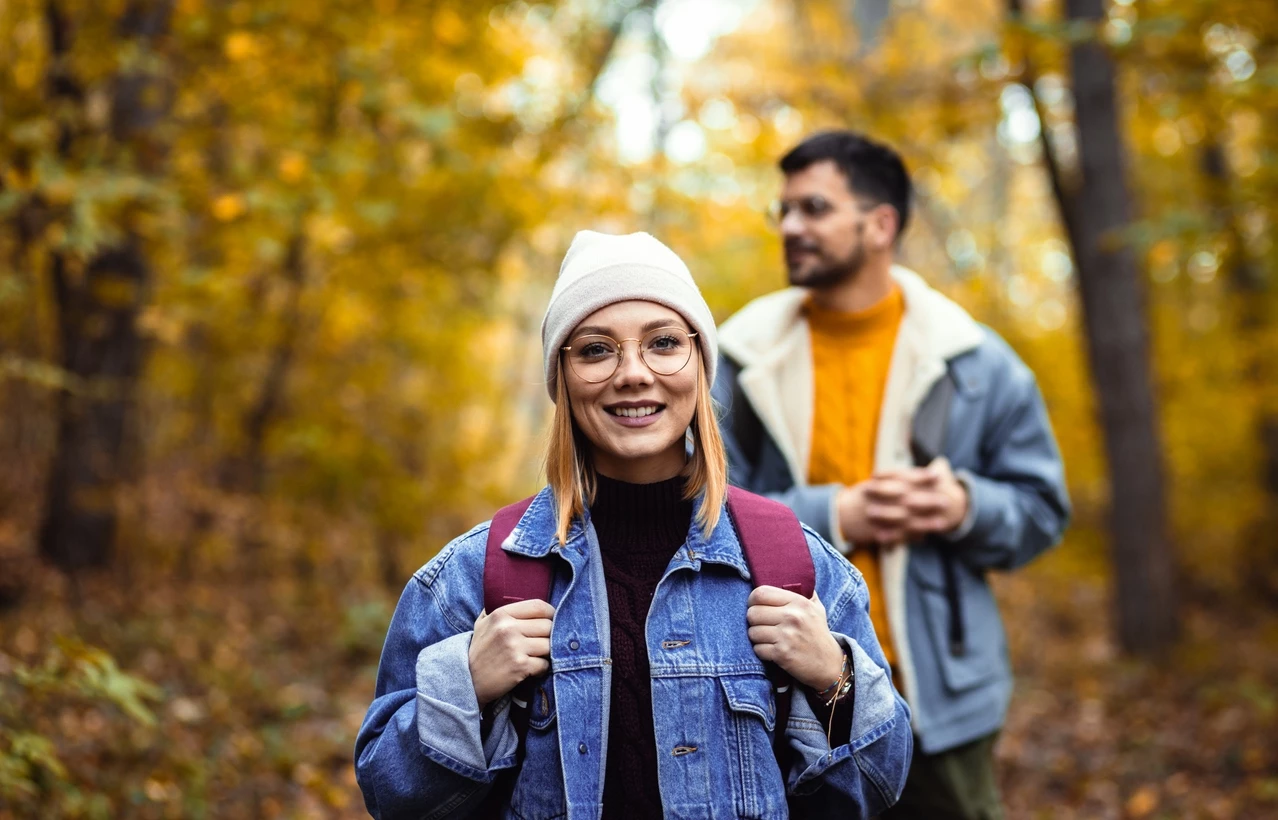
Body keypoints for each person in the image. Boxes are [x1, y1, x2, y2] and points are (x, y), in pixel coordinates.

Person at [354, 230, 913, 820]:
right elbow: (391, 797)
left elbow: (880, 785)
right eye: (596, 350)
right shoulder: (473, 578)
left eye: (663, 343)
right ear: (562, 377)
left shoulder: (794, 565)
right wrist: (465, 687)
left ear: (699, 364)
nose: (633, 374)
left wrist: (834, 678)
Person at [713, 131, 1071, 820]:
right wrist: (834, 517)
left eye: (814, 208)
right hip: (782, 688)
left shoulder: (976, 361)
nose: (790, 226)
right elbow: (698, 513)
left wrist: (965, 506)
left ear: (880, 224)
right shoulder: (736, 357)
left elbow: (1042, 510)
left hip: (939, 695)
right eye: (783, 210)